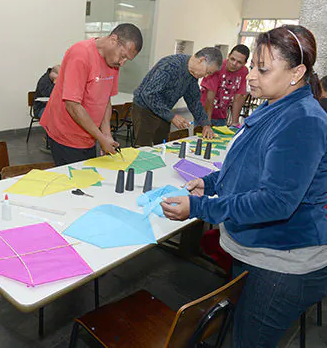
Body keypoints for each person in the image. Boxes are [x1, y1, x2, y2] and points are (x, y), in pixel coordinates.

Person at [160, 25, 327, 347]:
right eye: (253, 66)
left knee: (250, 340)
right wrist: (210, 182)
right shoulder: (274, 106)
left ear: (297, 73)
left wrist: (200, 207)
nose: (251, 76)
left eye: (262, 69)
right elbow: (247, 167)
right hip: (257, 249)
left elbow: (275, 202)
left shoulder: (302, 121)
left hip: (282, 264)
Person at [40, 23, 142, 166]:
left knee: (89, 178)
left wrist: (106, 134)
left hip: (90, 135)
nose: (122, 62)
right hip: (66, 134)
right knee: (75, 183)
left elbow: (105, 99)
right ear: (113, 40)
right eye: (123, 56)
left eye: (127, 60)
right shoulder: (80, 54)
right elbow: (72, 105)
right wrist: (101, 138)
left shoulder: (113, 62)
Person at [132, 47, 222, 146]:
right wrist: (172, 116)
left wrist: (205, 124)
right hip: (145, 109)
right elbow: (149, 94)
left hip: (164, 111)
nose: (206, 76)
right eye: (207, 72)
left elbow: (194, 101)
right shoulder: (170, 65)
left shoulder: (192, 76)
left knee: (162, 145)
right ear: (202, 60)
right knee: (144, 148)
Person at [200, 44, 250, 127]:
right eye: (232, 59)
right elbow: (209, 98)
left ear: (245, 63)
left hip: (221, 116)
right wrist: (207, 123)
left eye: (239, 62)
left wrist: (235, 122)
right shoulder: (217, 67)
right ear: (229, 56)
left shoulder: (244, 72)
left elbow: (239, 97)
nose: (234, 63)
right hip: (204, 113)